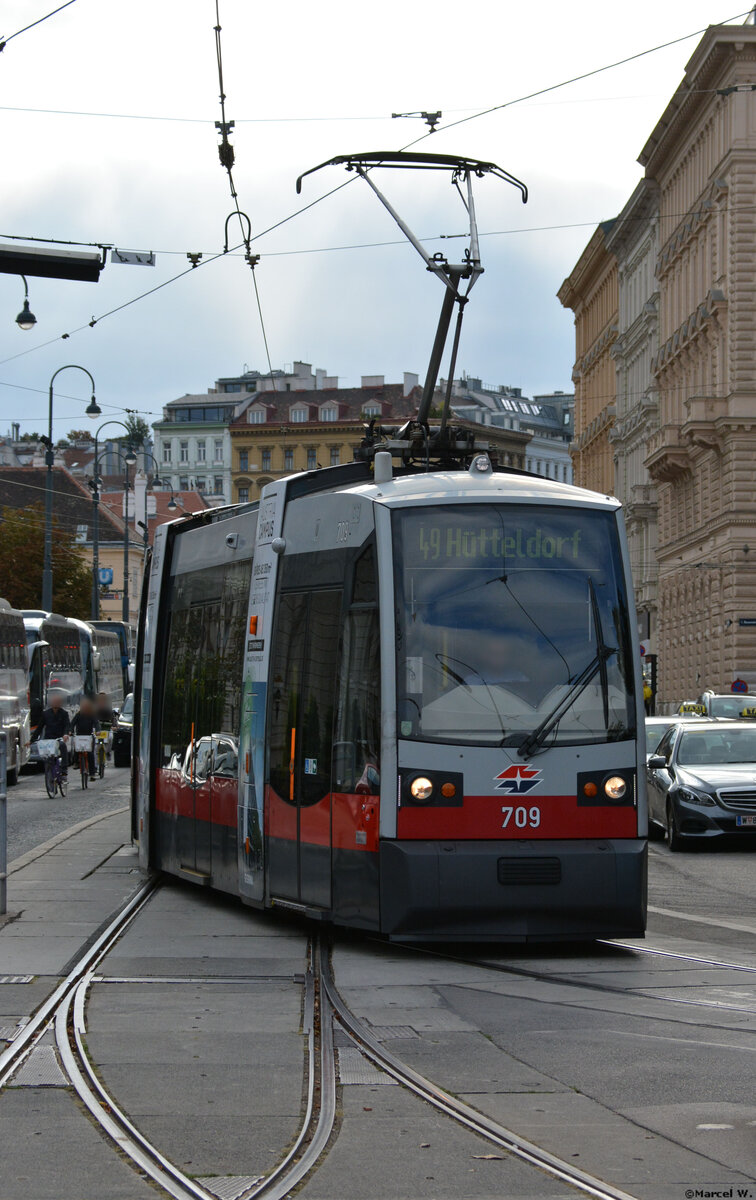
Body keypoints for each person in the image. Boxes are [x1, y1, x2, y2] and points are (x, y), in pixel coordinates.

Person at [40, 690, 71, 779]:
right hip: (49, 739)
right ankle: (49, 775)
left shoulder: (64, 713)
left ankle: (64, 770)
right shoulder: (46, 714)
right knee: (48, 758)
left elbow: (67, 725)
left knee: (62, 746)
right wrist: (31, 741)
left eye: (57, 702)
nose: (55, 703)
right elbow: (39, 728)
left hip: (59, 738)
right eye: (54, 701)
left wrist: (65, 734)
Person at [71, 697, 100, 781]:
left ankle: (92, 773)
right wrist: (71, 731)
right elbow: (72, 724)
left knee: (90, 754)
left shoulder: (92, 715)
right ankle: (76, 762)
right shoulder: (78, 715)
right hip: (79, 736)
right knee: (76, 749)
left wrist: (98, 731)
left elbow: (96, 723)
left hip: (89, 737)